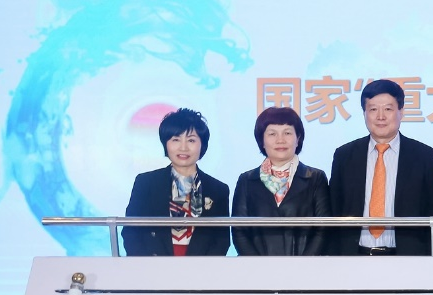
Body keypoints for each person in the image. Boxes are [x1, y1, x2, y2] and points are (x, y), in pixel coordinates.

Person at [329, 79, 433, 256]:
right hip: (353, 256)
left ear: (401, 112)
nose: (380, 116)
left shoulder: (424, 156)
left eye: (388, 109)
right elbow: (334, 209)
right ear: (364, 113)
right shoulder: (344, 155)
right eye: (373, 109)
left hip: (408, 257)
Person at [123, 108, 230, 257]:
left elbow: (221, 239)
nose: (183, 147)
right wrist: (146, 265)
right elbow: (131, 232)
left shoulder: (218, 189)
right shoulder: (146, 183)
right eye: (176, 139)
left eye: (191, 140)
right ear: (165, 144)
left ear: (202, 144)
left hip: (201, 267)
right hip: (152, 265)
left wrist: (205, 266)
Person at [230, 106, 330, 256]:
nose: (280, 140)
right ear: (262, 140)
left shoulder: (316, 178)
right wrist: (257, 265)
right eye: (272, 134)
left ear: (298, 138)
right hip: (256, 268)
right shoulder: (247, 181)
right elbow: (239, 231)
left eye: (287, 133)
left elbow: (323, 229)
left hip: (306, 267)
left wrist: (303, 264)